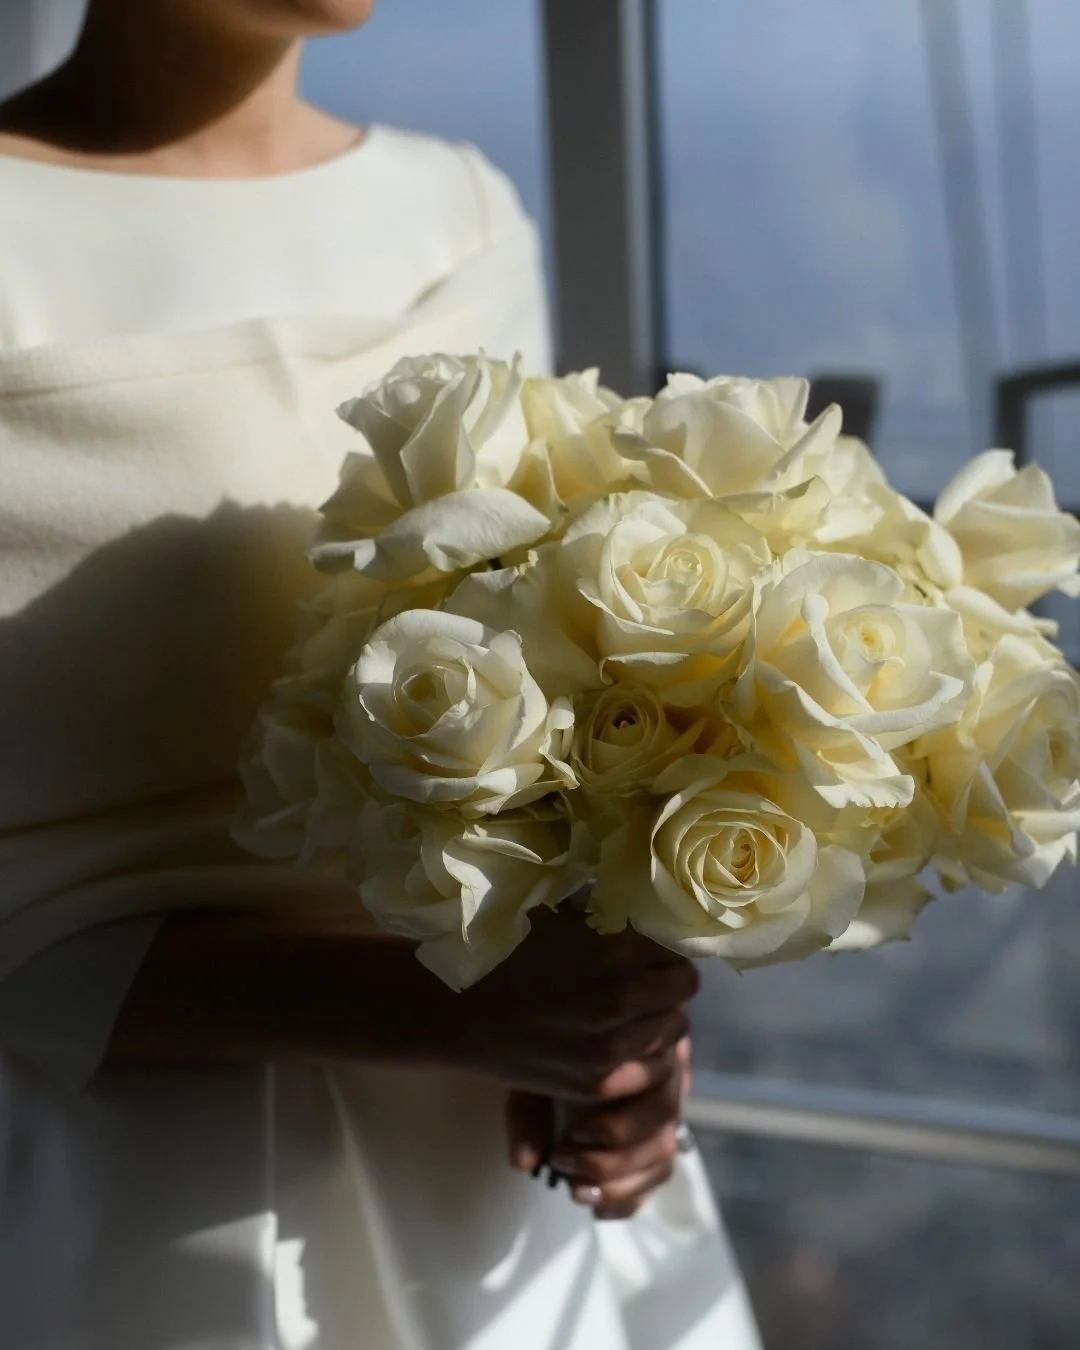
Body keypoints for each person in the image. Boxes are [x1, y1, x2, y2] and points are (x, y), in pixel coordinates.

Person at [0, 2, 762, 1346]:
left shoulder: (456, 212)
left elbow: (549, 705)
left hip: (501, 1187)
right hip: (107, 1208)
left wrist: (615, 1029)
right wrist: (436, 1008)